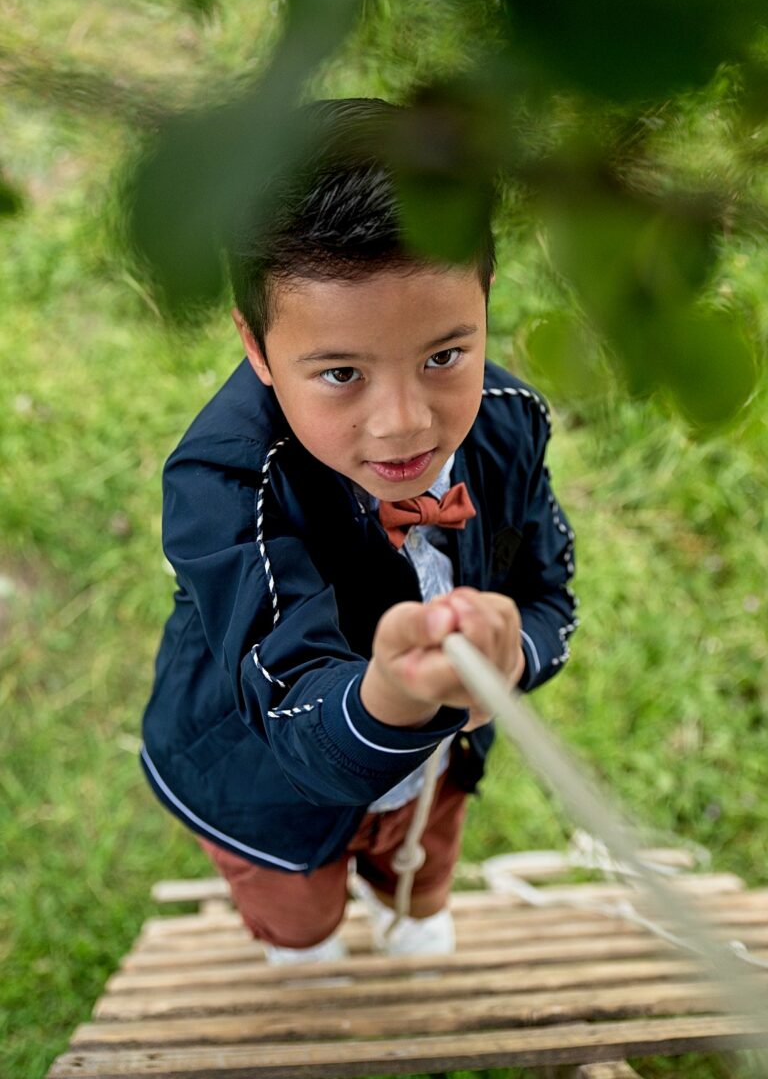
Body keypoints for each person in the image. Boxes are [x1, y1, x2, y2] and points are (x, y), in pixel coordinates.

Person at [140, 97, 577, 963]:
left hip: (436, 764)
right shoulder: (227, 483)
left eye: (445, 356)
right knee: (302, 927)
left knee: (422, 883)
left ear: (485, 297)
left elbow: (547, 592)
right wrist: (395, 693)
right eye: (341, 372)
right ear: (258, 349)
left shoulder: (509, 418)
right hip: (267, 776)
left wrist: (513, 649)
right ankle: (303, 946)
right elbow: (296, 714)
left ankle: (404, 909)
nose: (405, 424)